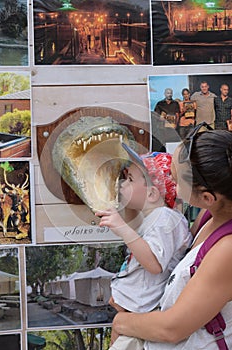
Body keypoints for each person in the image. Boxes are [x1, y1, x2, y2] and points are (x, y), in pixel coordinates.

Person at [111, 123, 232, 349]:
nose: (172, 188)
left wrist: (121, 322)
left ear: (207, 198)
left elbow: (172, 328)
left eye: (175, 181)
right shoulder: (209, 216)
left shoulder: (227, 250)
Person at [95, 147, 192, 350]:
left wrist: (121, 228)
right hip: (135, 310)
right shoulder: (153, 219)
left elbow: (154, 263)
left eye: (129, 179)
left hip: (143, 312)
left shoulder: (166, 220)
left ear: (152, 193)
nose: (122, 183)